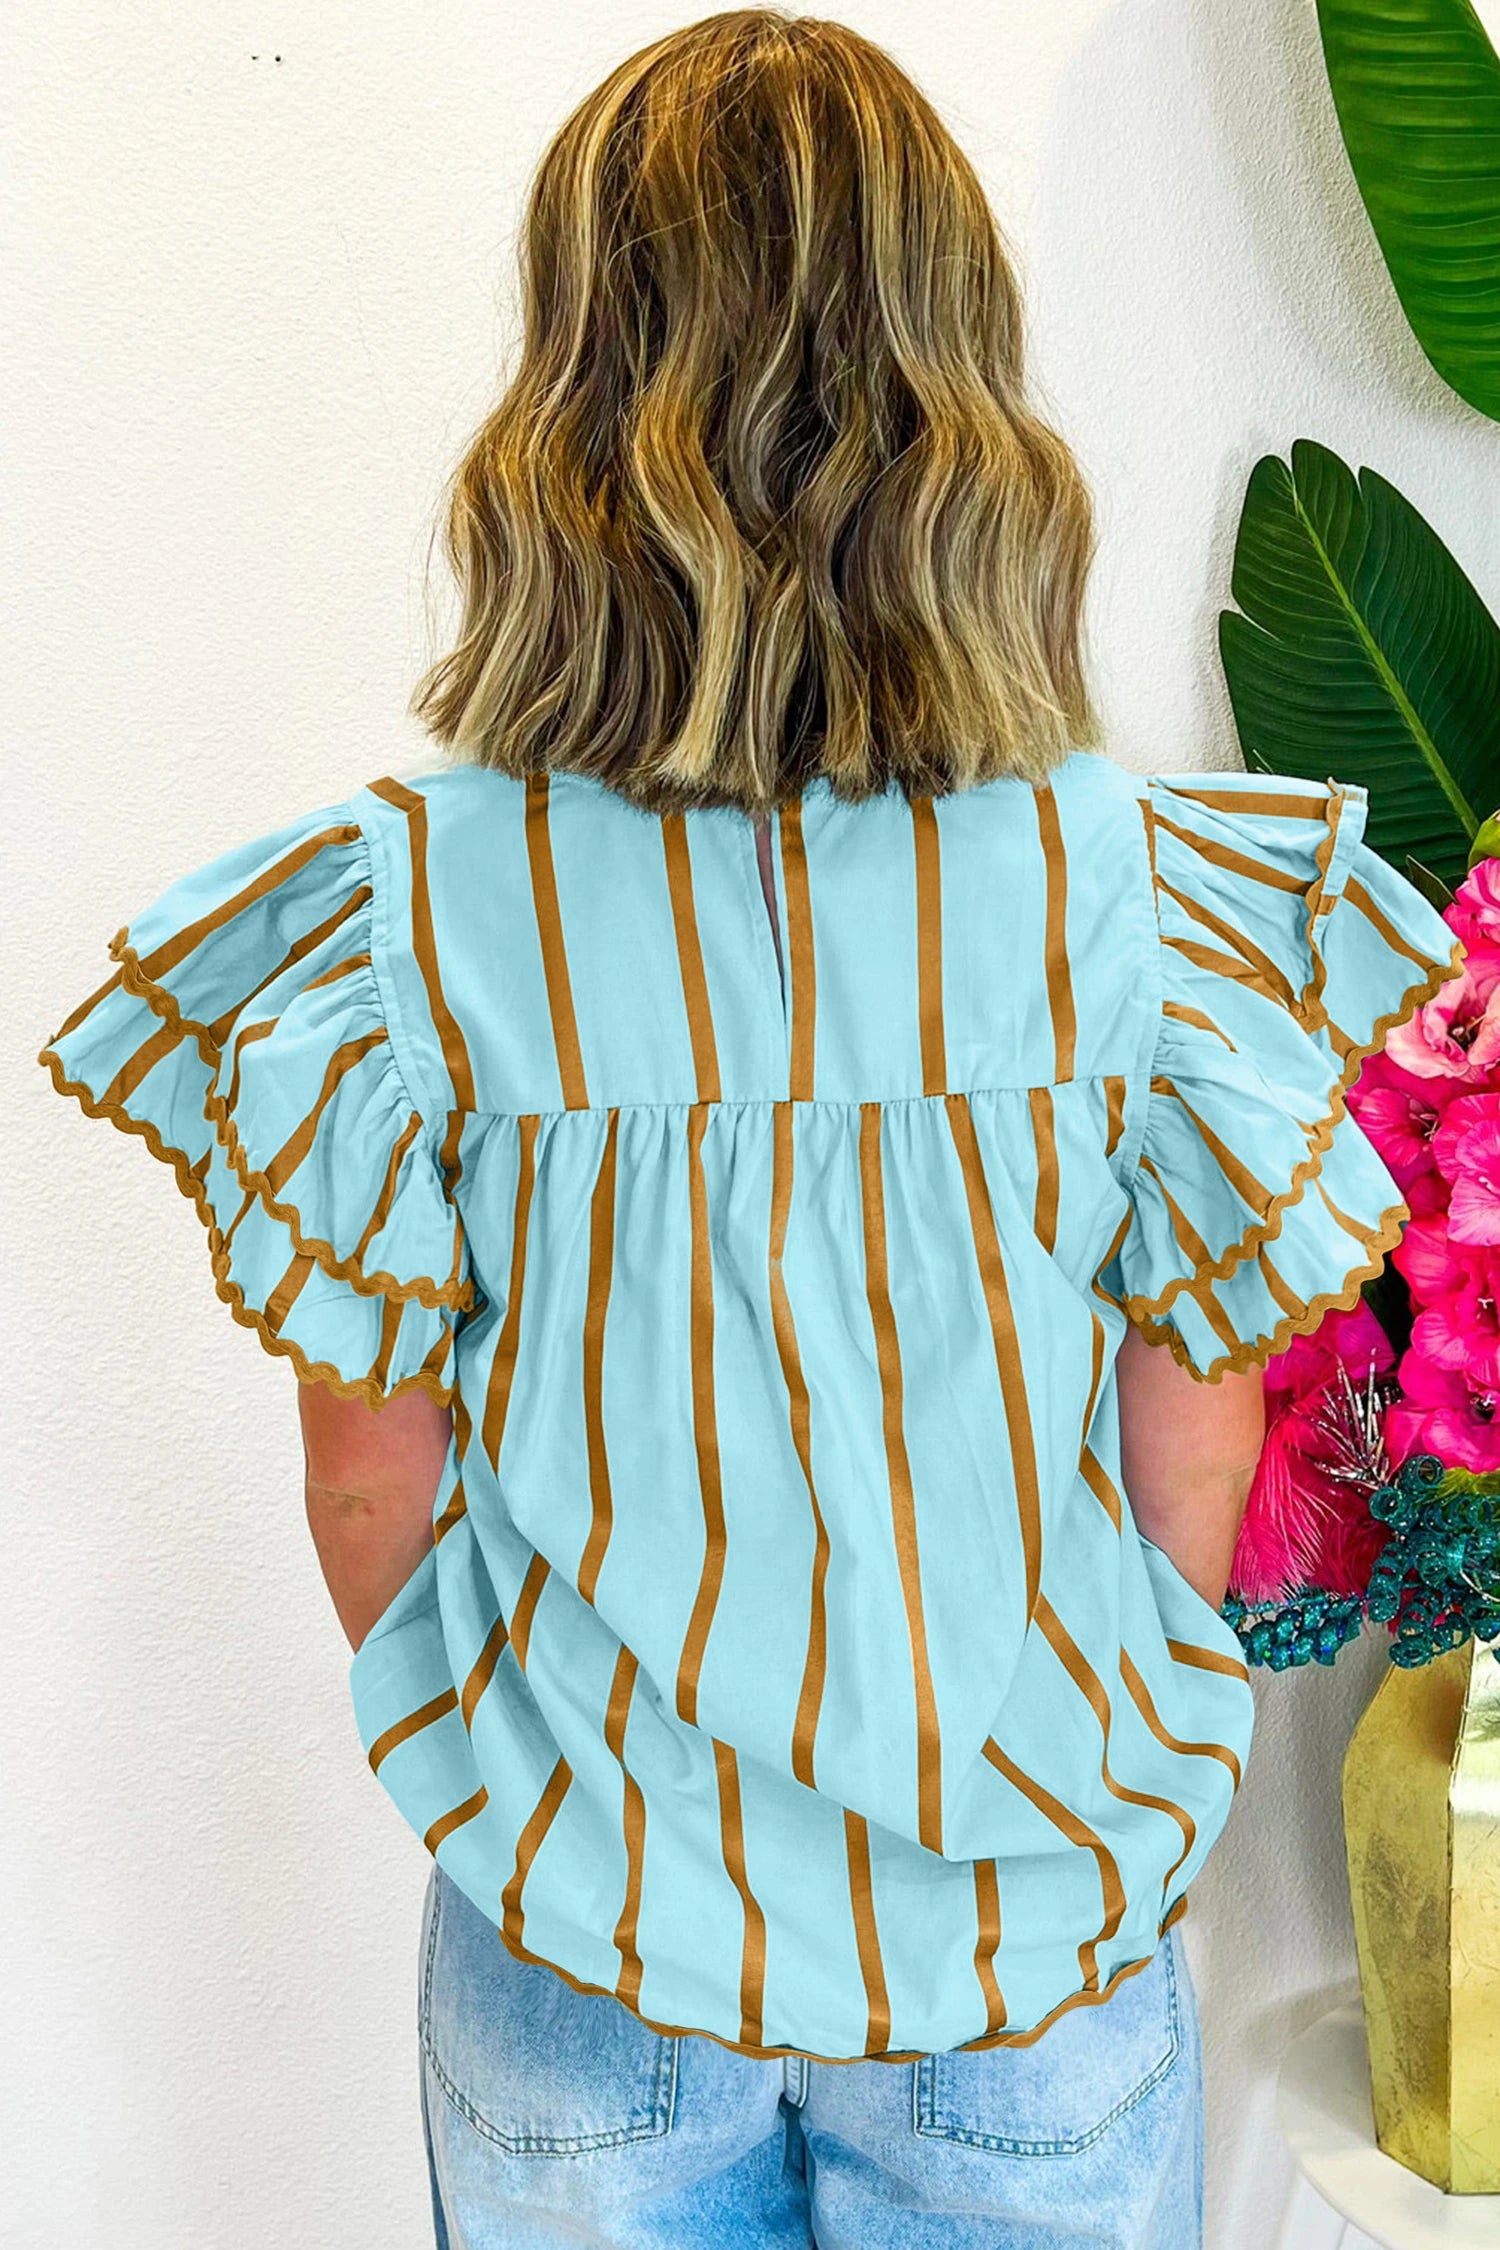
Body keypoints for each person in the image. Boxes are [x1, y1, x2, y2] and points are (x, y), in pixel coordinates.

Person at [37, 11, 1462, 2247]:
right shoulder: (1127, 897)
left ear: (567, 416)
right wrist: (1114, 1754)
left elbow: (365, 1478)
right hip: (1030, 1928)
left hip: (581, 1934)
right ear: (967, 412)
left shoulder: (420, 909)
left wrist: (526, 1793)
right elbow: (1190, 1458)